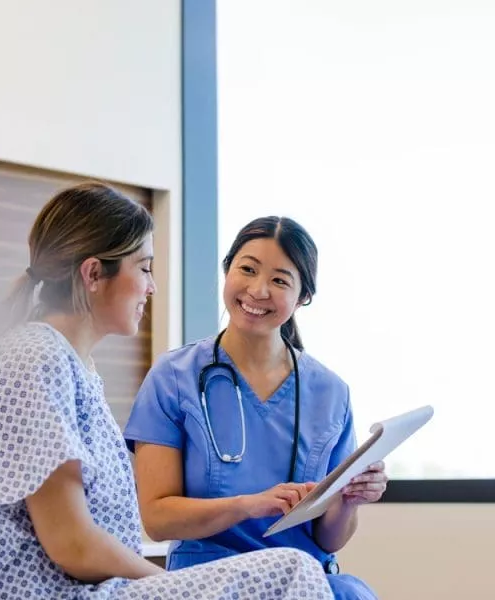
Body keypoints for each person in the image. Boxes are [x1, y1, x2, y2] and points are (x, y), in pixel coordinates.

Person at [0, 184, 334, 600]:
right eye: (145, 268)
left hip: (77, 589)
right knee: (289, 574)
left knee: (310, 576)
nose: (151, 287)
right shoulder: (33, 358)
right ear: (94, 274)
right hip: (38, 593)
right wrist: (170, 585)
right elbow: (71, 543)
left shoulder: (72, 366)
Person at [124, 216, 388, 599]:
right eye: (247, 269)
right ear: (227, 270)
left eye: (280, 280)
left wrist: (349, 499)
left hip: (301, 583)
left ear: (302, 297)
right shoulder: (174, 376)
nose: (258, 289)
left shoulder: (330, 392)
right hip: (209, 583)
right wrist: (249, 506)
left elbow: (329, 540)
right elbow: (158, 519)